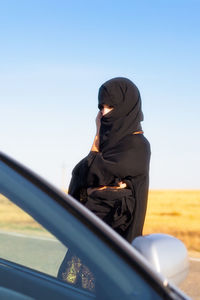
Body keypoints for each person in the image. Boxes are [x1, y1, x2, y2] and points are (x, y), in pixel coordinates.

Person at [57, 77, 151, 290]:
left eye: (111, 106)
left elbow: (92, 173)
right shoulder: (107, 148)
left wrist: (93, 188)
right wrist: (98, 137)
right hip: (88, 241)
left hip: (114, 249)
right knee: (66, 286)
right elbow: (79, 175)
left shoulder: (137, 146)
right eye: (101, 107)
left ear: (127, 107)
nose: (105, 112)